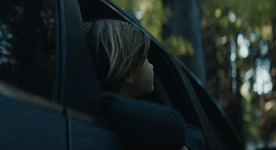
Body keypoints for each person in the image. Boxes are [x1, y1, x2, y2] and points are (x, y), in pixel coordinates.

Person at [83, 19, 205, 150]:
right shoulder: (113, 113)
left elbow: (193, 133)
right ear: (128, 71)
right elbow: (174, 126)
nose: (152, 66)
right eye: (146, 58)